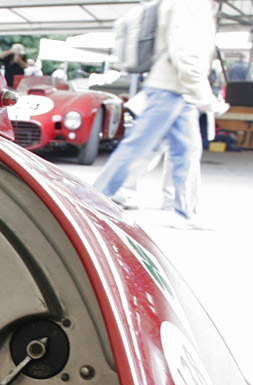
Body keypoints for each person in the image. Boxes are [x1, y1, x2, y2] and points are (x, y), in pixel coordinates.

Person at [93, 0, 217, 224]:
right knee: (140, 147)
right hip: (171, 87)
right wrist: (203, 92)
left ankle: (186, 212)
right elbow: (185, 50)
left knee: (186, 150)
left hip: (178, 88)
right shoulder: (191, 4)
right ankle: (93, 200)